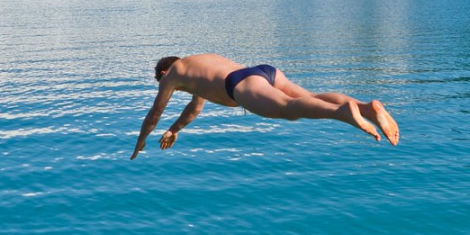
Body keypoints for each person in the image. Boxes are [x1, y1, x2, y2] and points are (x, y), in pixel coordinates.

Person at [131, 53, 399, 159]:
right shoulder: (194, 67)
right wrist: (175, 129)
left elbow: (154, 113)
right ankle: (366, 108)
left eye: (161, 79)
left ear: (164, 71)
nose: (164, 85)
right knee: (310, 99)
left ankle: (342, 113)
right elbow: (194, 109)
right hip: (262, 71)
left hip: (240, 85)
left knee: (288, 109)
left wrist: (140, 142)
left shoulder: (173, 74)